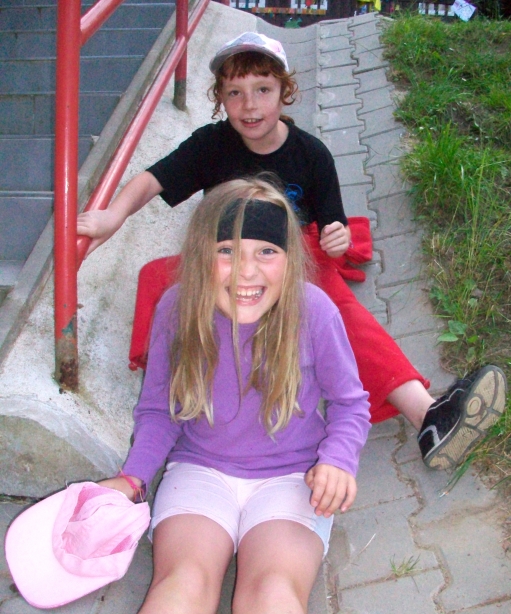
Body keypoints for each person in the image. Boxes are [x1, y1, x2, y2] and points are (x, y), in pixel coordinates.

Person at [77, 32, 507, 470]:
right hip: (225, 256)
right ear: (220, 98)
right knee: (159, 278)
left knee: (333, 303)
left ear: (286, 90)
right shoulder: (210, 143)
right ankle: (176, 395)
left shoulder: (311, 154)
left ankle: (427, 415)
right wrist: (114, 215)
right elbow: (152, 180)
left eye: (263, 90)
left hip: (290, 255)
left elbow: (333, 225)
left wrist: (337, 237)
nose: (249, 105)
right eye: (235, 93)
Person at [100, 178, 372, 614]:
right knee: (182, 586)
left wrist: (338, 461)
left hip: (293, 477)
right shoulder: (177, 309)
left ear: (290, 259)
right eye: (227, 251)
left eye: (266, 251)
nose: (247, 271)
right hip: (200, 471)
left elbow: (350, 404)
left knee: (273, 592)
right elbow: (159, 410)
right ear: (199, 255)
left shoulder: (314, 311)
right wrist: (133, 477)